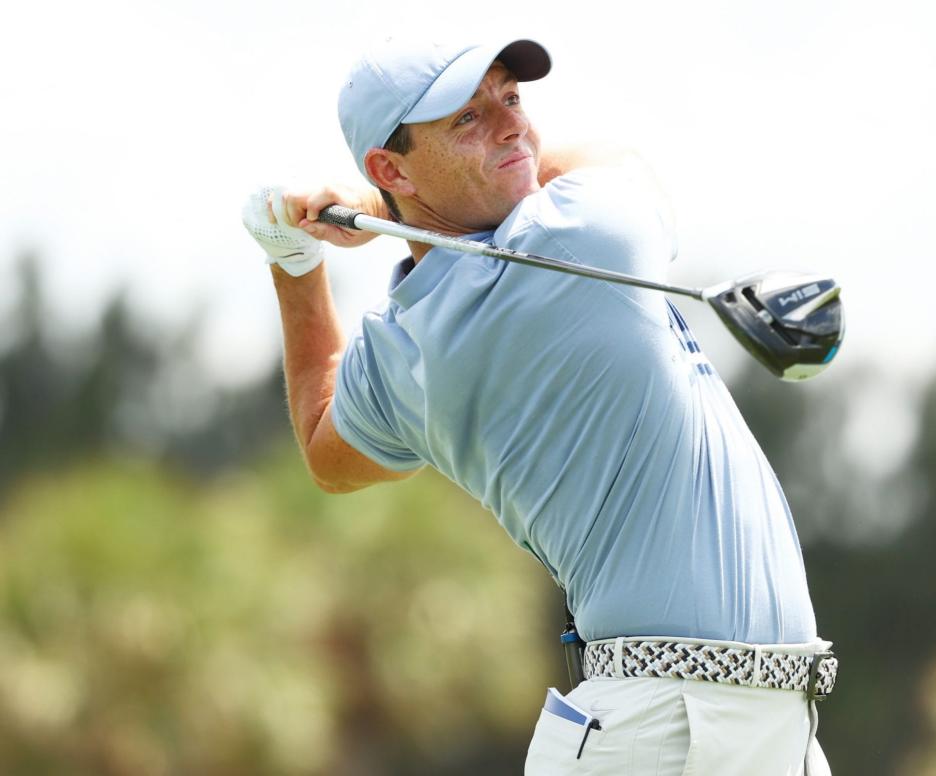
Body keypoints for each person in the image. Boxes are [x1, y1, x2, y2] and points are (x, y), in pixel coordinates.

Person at [242, 36, 835, 775]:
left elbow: (325, 446)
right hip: (665, 730)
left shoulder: (401, 354)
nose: (511, 125)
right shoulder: (582, 235)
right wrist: (377, 209)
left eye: (511, 99)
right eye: (467, 119)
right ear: (389, 165)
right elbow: (616, 158)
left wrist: (294, 262)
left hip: (745, 722)